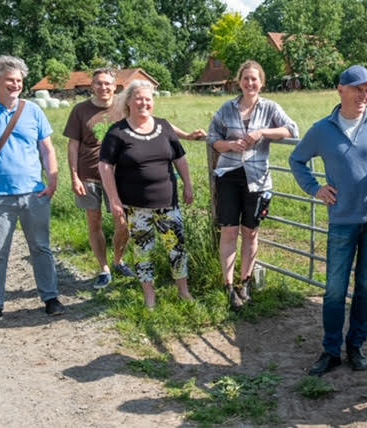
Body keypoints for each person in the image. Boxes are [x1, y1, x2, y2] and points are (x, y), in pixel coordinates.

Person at [289, 65, 367, 375]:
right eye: (356, 88)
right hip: (341, 219)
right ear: (340, 89)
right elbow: (297, 159)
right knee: (335, 289)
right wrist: (315, 188)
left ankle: (356, 347)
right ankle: (330, 351)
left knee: (365, 286)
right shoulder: (323, 130)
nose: (363, 94)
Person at [0, 55, 64, 327]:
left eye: (19, 80)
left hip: (34, 194)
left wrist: (52, 182)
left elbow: (47, 148)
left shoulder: (33, 111)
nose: (16, 84)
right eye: (10, 80)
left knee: (41, 248)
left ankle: (51, 298)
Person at [208, 60, 298, 310]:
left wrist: (263, 134)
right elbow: (212, 136)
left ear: (262, 82)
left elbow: (293, 130)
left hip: (257, 179)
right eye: (245, 78)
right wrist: (228, 145)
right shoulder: (227, 108)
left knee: (251, 232)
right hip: (229, 175)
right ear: (239, 81)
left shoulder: (270, 108)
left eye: (254, 79)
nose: (250, 83)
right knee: (229, 231)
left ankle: (244, 282)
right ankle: (227, 286)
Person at [99, 80, 194, 308]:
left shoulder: (164, 127)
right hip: (136, 206)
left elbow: (179, 158)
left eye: (148, 99)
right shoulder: (118, 132)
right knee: (144, 252)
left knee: (177, 248)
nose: (144, 103)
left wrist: (188, 185)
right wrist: (114, 200)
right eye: (139, 98)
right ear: (129, 101)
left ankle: (184, 291)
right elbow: (105, 166)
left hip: (168, 203)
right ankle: (149, 296)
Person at [64, 68, 134, 289]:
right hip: (89, 176)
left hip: (119, 177)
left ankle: (118, 261)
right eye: (99, 83)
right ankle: (104, 268)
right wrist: (74, 176)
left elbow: (148, 125)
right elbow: (73, 146)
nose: (103, 87)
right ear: (92, 86)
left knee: (123, 222)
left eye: (107, 84)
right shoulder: (80, 110)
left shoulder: (124, 108)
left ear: (115, 86)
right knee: (94, 222)